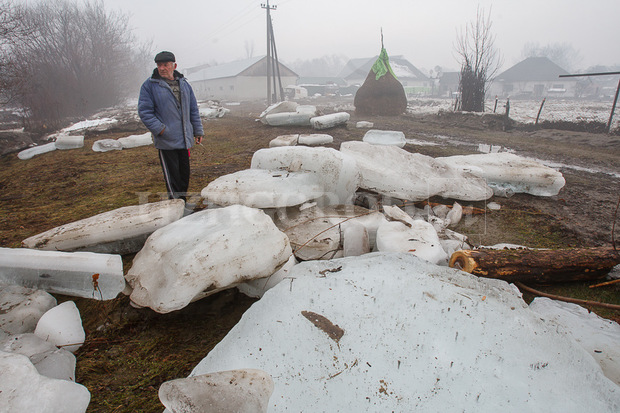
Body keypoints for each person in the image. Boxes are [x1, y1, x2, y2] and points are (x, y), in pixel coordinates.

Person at [138, 51, 204, 204]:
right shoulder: (150, 86)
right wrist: (160, 130)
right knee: (172, 176)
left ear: (174, 65)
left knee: (184, 173)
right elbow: (145, 111)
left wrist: (198, 130)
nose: (162, 68)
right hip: (166, 140)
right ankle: (175, 205)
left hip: (184, 138)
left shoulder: (184, 84)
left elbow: (193, 109)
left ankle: (182, 203)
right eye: (159, 65)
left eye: (165, 65)